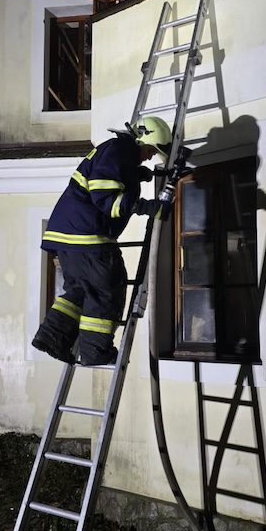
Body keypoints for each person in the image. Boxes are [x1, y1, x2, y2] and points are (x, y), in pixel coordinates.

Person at [32, 116, 174, 367]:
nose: (151, 156)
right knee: (106, 289)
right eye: (151, 150)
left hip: (68, 236)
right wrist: (147, 207)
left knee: (79, 290)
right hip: (87, 236)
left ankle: (52, 338)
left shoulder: (116, 151)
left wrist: (135, 174)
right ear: (142, 141)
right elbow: (106, 197)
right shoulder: (118, 150)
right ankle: (94, 352)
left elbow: (104, 179)